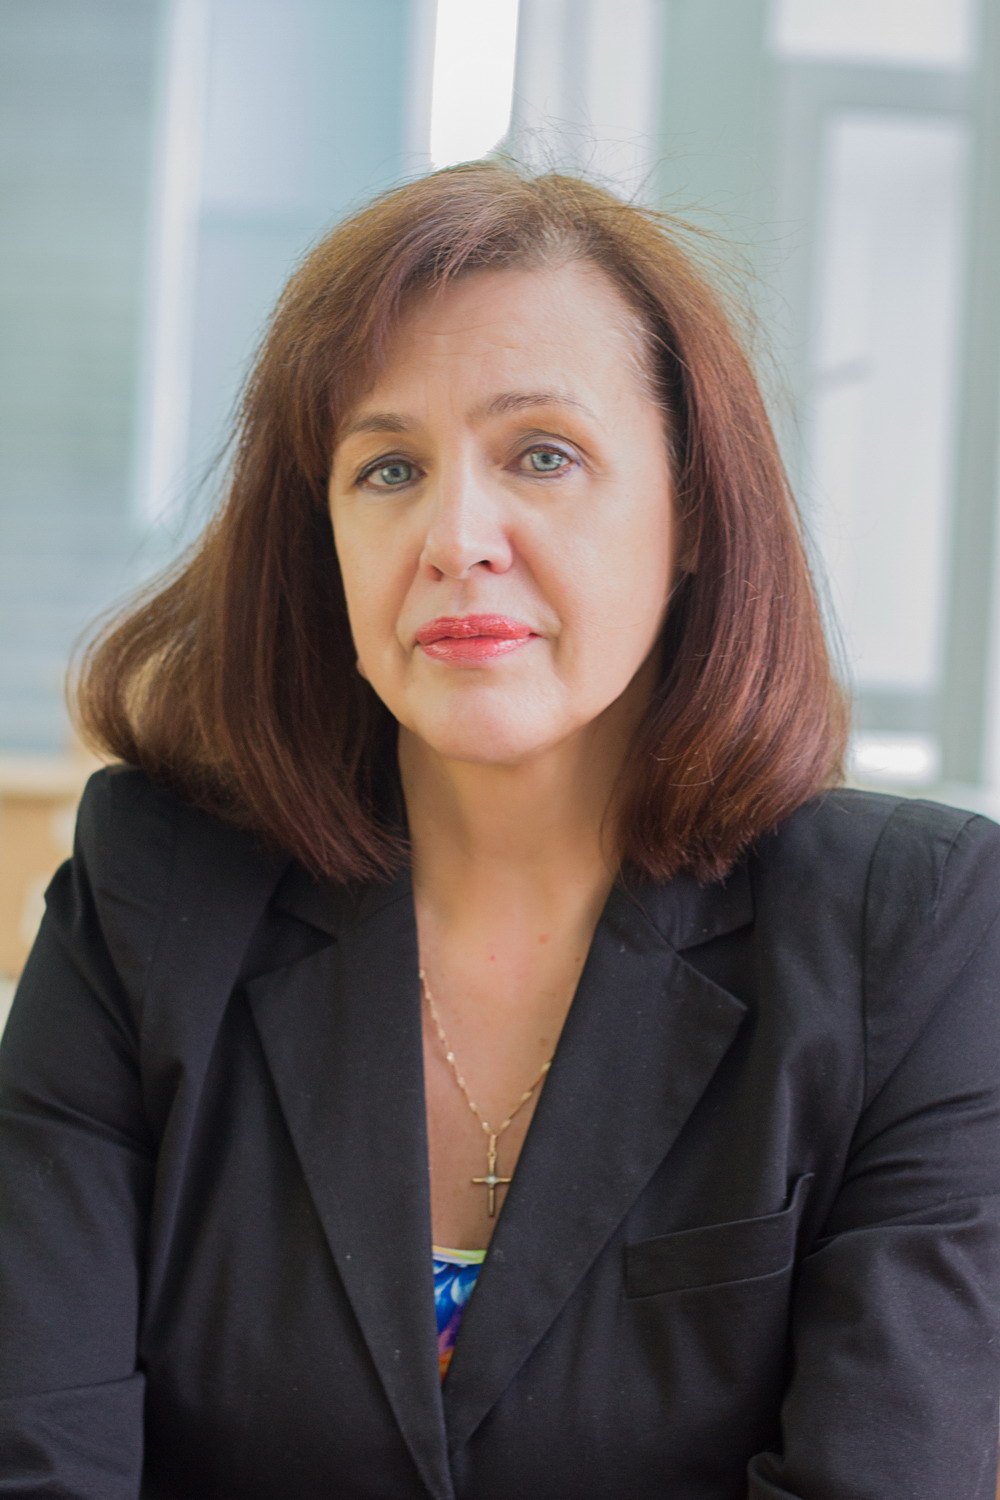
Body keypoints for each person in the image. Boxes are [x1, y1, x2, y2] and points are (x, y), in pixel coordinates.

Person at [1, 161, 999, 1500]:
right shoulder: (150, 889)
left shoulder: (915, 932)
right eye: (389, 468)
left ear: (694, 512)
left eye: (543, 454)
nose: (455, 536)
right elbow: (41, 1452)